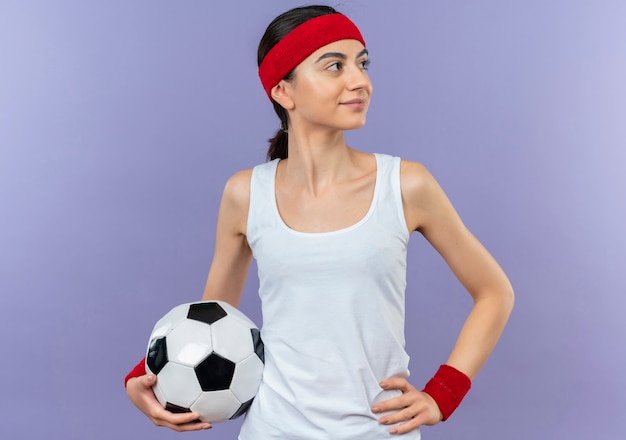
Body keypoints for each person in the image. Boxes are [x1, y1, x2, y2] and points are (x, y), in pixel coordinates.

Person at [125, 5, 514, 439]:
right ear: (283, 92)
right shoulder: (245, 193)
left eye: (362, 63)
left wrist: (444, 393)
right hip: (273, 428)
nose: (359, 80)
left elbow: (495, 292)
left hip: (378, 430)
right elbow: (212, 318)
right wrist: (142, 377)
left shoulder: (406, 185)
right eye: (334, 66)